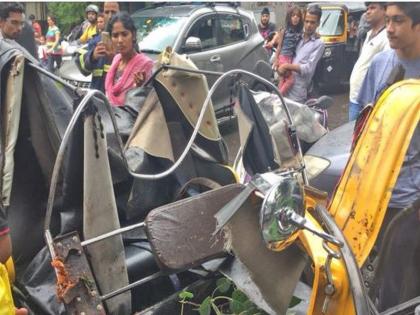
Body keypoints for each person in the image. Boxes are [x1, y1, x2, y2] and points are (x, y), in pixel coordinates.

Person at [355, 2, 420, 311]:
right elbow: (363, 124)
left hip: (412, 198)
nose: (389, 28)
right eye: (389, 20)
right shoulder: (381, 64)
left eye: (399, 21)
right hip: (376, 193)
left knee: (402, 285)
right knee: (378, 273)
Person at [348, 2, 388, 121]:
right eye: (367, 8)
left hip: (366, 101)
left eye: (372, 8)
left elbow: (383, 73)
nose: (368, 11)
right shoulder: (369, 34)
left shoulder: (386, 37)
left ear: (384, 11)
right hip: (355, 97)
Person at [277, 4, 325, 103]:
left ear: (318, 23)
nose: (308, 25)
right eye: (306, 21)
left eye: (312, 22)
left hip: (297, 94)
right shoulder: (297, 36)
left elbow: (308, 68)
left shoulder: (318, 43)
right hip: (283, 87)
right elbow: (283, 49)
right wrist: (279, 66)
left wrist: (287, 66)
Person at [104, 12, 153, 106]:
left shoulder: (145, 64)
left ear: (133, 35)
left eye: (124, 34)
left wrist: (140, 87)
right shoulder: (116, 59)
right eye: (115, 36)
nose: (120, 40)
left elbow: (143, 101)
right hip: (109, 116)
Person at [77, 2, 120, 92]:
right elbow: (84, 71)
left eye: (113, 12)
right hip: (97, 98)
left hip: (116, 99)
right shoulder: (95, 40)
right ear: (103, 14)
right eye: (107, 12)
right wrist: (93, 57)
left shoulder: (127, 41)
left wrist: (115, 58)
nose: (110, 16)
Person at [272, 5, 303, 95]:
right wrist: (276, 60)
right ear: (289, 17)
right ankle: (279, 97)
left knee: (283, 79)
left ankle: (277, 95)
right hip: (283, 57)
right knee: (290, 79)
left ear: (300, 18)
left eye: (298, 16)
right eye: (293, 15)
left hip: (291, 59)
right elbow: (279, 46)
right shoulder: (284, 31)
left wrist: (316, 34)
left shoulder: (300, 32)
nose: (295, 18)